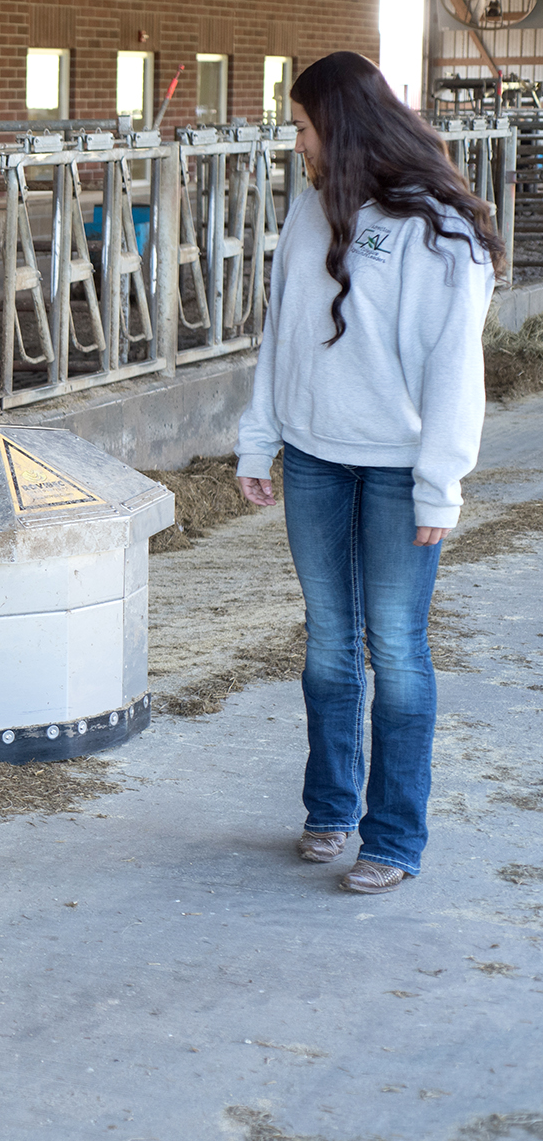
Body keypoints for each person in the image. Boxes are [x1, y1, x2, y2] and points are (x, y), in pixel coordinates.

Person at [235, 50, 500, 895]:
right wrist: (258, 438)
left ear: (341, 127)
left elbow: (456, 369)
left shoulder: (438, 232)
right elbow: (282, 335)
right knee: (327, 646)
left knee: (397, 648)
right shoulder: (311, 213)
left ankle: (393, 836)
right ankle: (330, 807)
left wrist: (439, 484)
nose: (299, 143)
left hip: (396, 473)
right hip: (315, 458)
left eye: (305, 127)